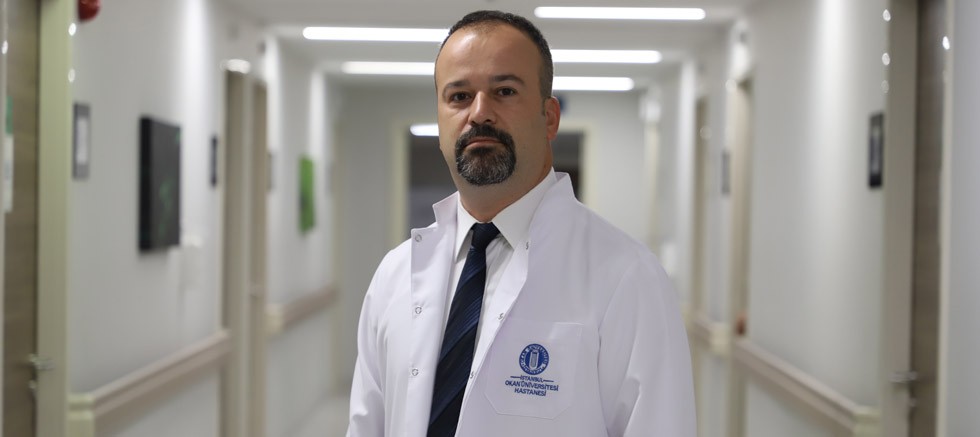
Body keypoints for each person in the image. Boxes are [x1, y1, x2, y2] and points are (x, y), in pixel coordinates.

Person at [347, 10, 695, 437]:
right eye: (459, 96)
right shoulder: (394, 275)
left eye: (504, 91)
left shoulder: (628, 278)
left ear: (549, 118)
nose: (480, 113)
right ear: (440, 122)